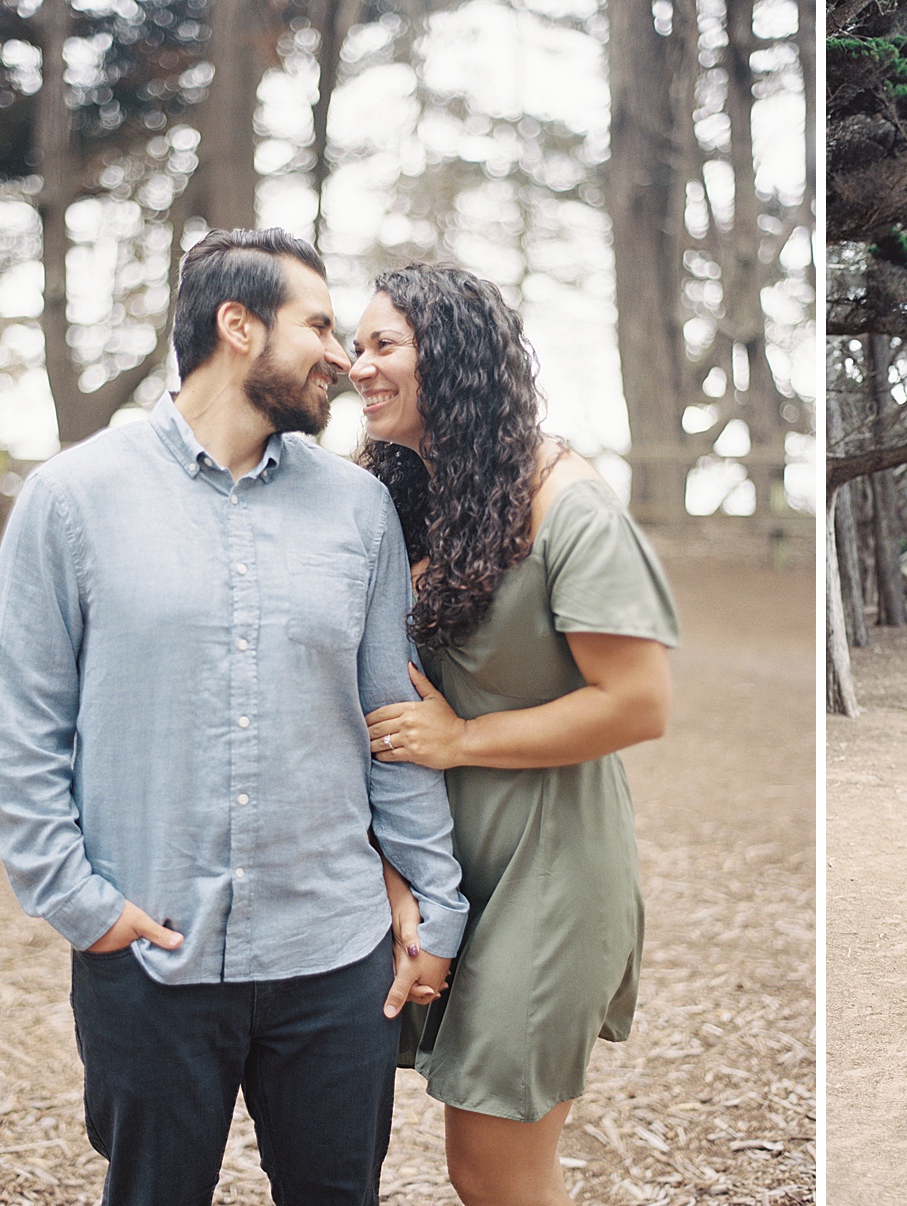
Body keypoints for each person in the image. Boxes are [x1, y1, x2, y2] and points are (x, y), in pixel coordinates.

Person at [0, 228, 469, 1204]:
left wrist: (436, 903)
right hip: (149, 952)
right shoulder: (70, 501)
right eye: (321, 326)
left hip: (335, 957)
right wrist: (80, 904)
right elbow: (26, 727)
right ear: (237, 325)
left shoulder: (359, 509)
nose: (342, 355)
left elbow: (393, 718)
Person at [348, 264, 678, 1206]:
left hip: (550, 864)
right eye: (357, 346)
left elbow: (639, 704)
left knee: (494, 1167)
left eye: (384, 346)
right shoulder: (402, 492)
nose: (357, 367)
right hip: (438, 862)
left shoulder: (568, 503)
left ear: (449, 359)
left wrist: (460, 742)